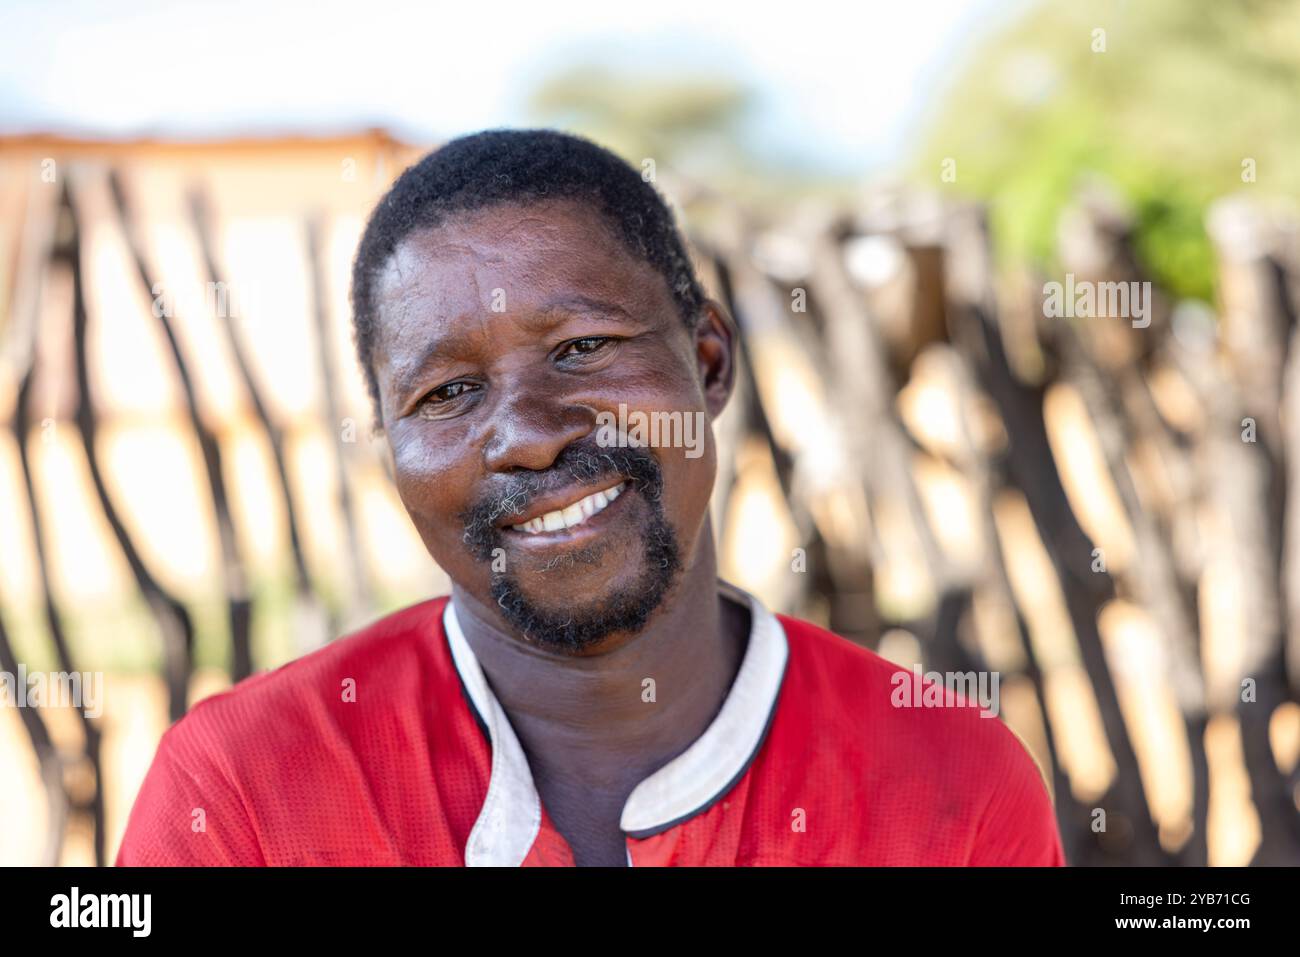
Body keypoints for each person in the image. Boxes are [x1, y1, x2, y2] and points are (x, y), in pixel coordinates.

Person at [116, 129, 1065, 867]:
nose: (529, 433)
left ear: (708, 363)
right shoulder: (243, 794)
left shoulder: (954, 783)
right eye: (447, 393)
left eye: (583, 348)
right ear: (393, 452)